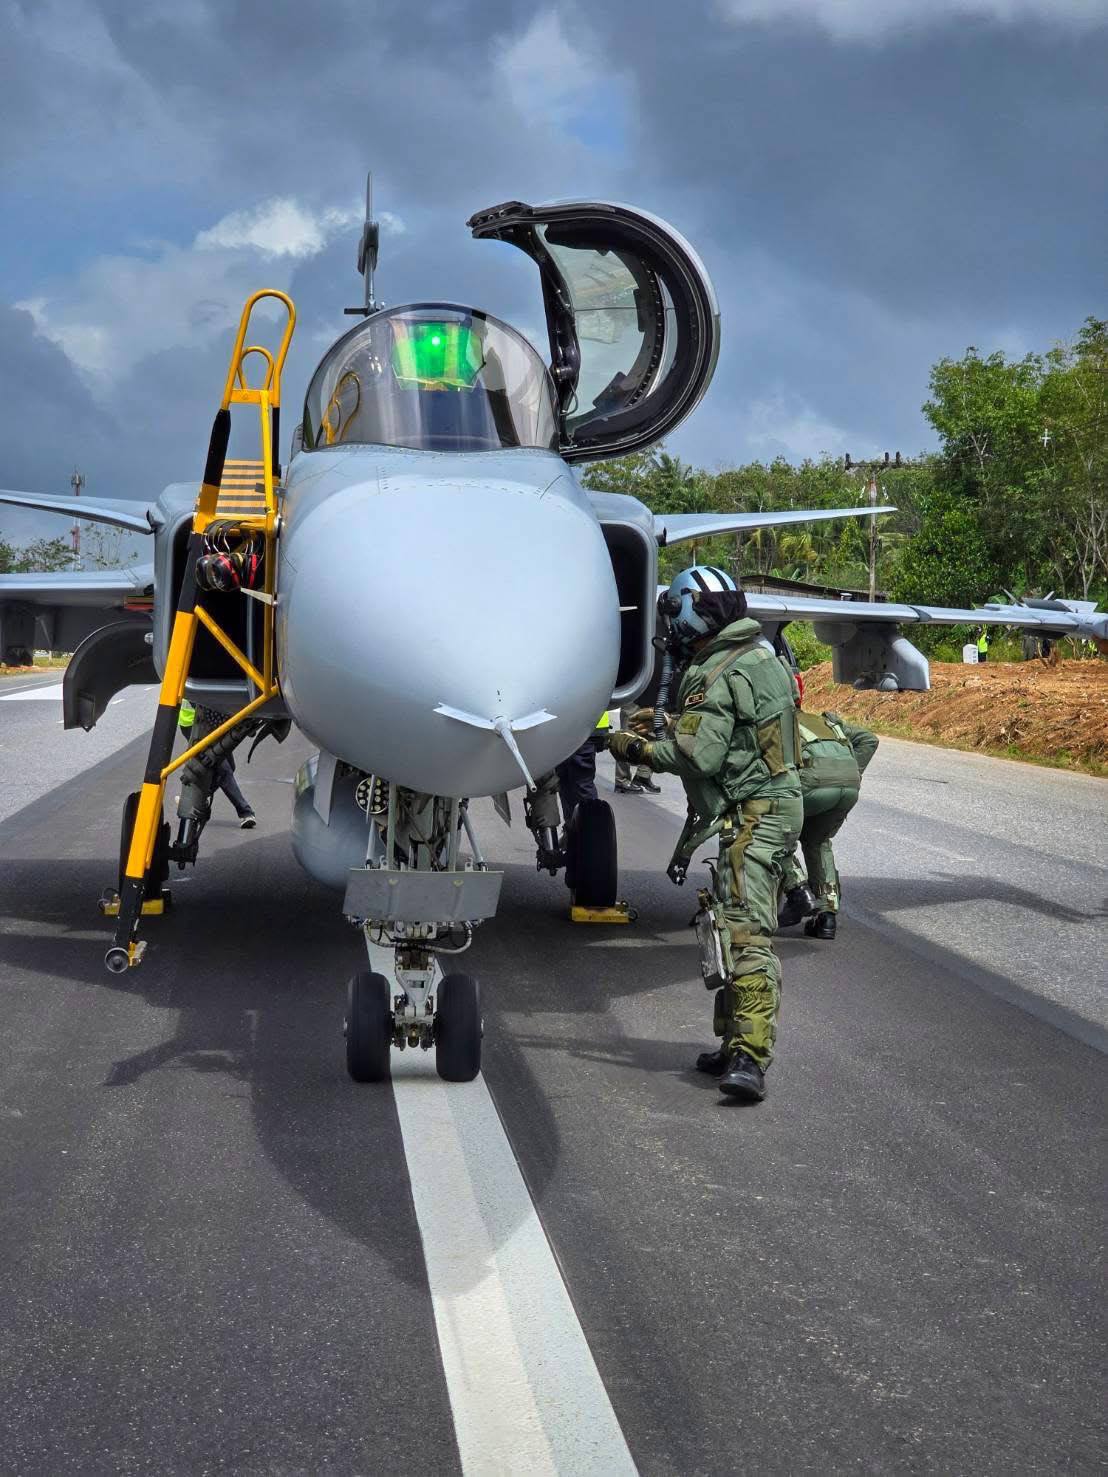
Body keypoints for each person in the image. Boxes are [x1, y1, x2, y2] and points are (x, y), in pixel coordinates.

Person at [607, 567, 803, 1102]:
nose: (671, 626)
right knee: (726, 923)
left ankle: (750, 1059)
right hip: (771, 805)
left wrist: (633, 747)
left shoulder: (716, 671)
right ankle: (732, 1042)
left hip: (755, 812)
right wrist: (671, 723)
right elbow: (741, 733)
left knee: (745, 935)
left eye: (675, 613)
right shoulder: (760, 656)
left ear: (693, 611)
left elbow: (701, 756)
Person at [777, 710, 878, 940]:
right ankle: (827, 917)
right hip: (849, 788)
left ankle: (798, 890)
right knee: (818, 841)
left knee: (772, 835)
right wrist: (853, 770)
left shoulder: (776, 719)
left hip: (811, 785)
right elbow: (869, 739)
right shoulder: (825, 722)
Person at [178, 701, 256, 829]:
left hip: (211, 722)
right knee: (224, 770)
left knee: (230, 766)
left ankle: (198, 797)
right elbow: (197, 701)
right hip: (194, 725)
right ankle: (246, 812)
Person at [614, 703, 661, 794]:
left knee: (654, 735)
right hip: (634, 699)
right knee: (627, 738)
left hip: (653, 697)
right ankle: (622, 781)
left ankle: (642, 775)